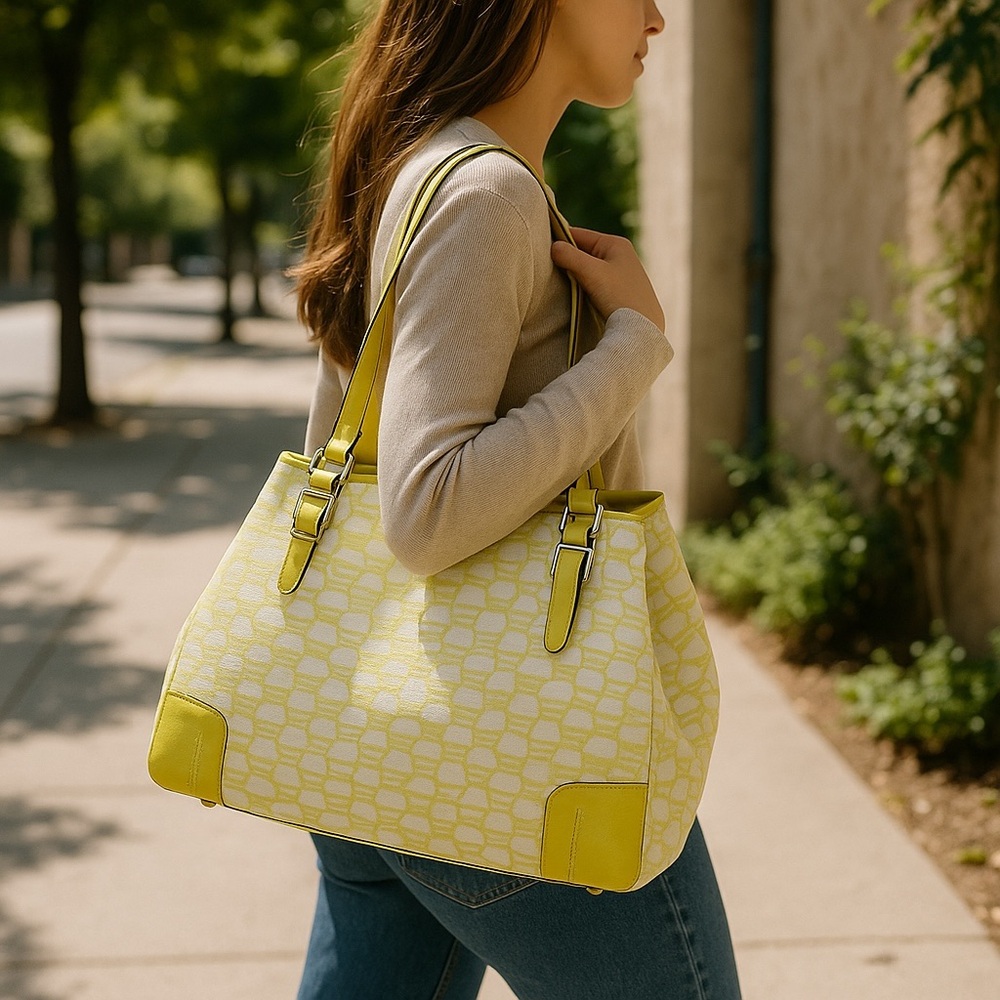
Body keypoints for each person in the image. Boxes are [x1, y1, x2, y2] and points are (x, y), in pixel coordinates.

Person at [293, 1, 742, 997]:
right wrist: (633, 342)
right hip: (509, 748)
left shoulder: (421, 166)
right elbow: (425, 508)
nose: (660, 17)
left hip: (384, 732)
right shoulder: (484, 191)